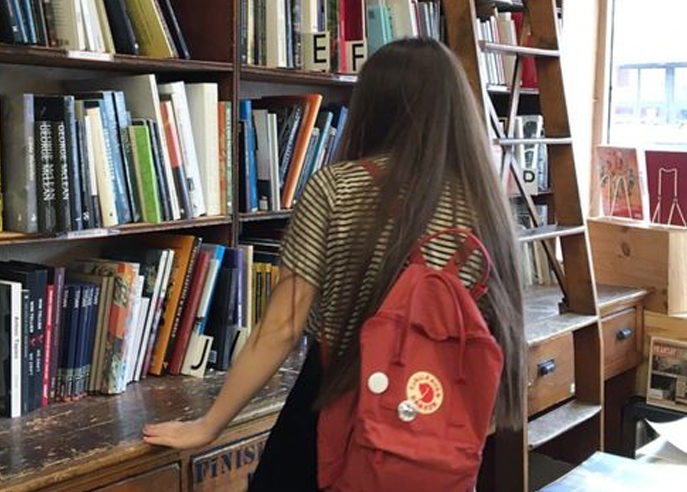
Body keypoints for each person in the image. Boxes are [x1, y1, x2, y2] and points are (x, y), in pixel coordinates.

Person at [143, 38, 525, 491]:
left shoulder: (337, 188)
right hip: (436, 409)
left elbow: (281, 327)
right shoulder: (485, 203)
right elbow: (497, 331)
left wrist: (209, 425)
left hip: (335, 401)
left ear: (373, 105)